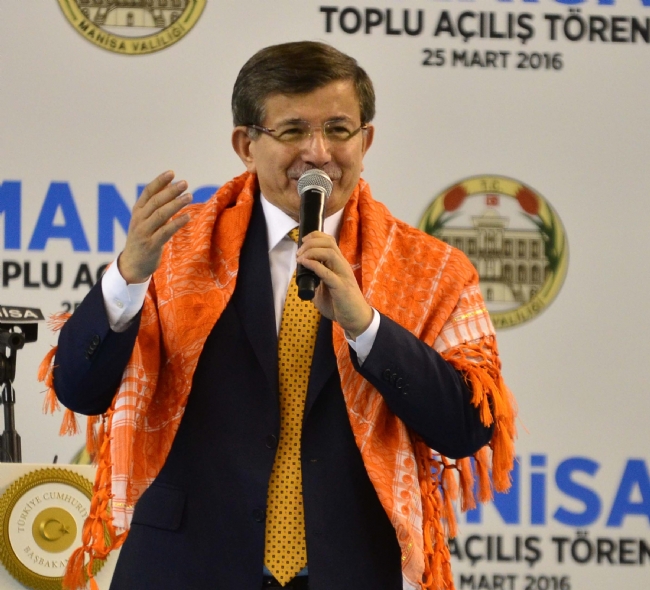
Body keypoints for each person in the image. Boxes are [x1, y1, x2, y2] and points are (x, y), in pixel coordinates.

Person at [42, 41, 516, 590]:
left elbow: (466, 429)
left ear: (366, 141)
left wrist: (366, 328)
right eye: (292, 131)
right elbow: (80, 390)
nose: (318, 153)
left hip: (348, 573)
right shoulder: (175, 252)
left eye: (339, 129)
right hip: (184, 568)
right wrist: (127, 278)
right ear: (246, 145)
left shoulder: (430, 271)